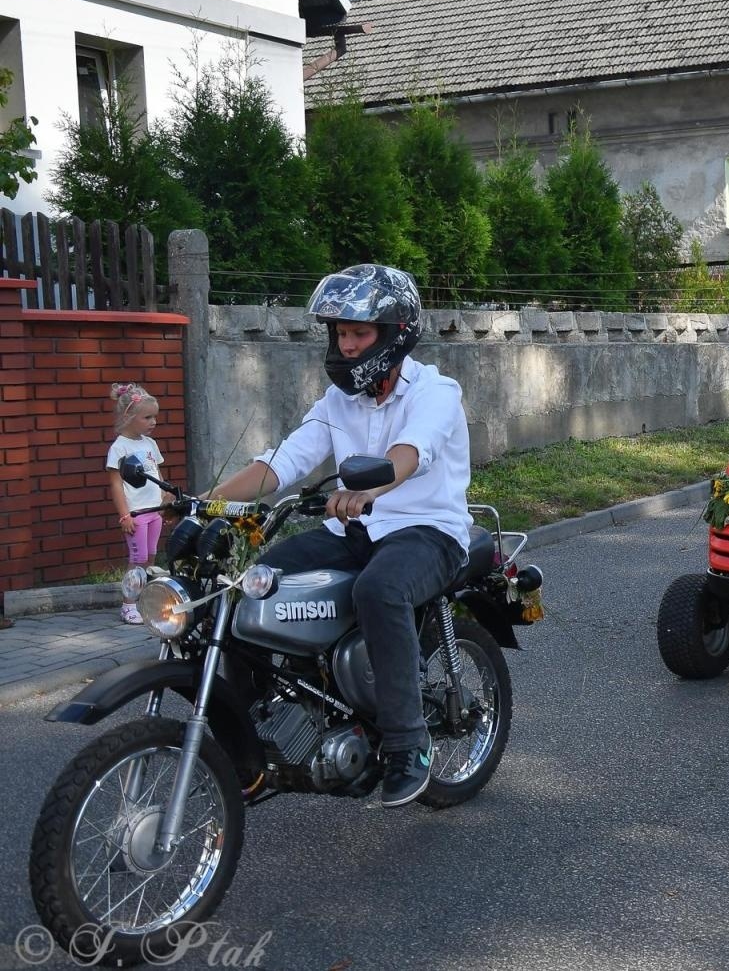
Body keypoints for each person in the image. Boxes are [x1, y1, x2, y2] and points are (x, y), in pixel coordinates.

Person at [204, 263, 471, 809]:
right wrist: (207, 504)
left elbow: (411, 454)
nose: (346, 345)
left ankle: (407, 745)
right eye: (340, 333)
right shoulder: (337, 402)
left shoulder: (436, 391)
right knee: (251, 587)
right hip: (354, 530)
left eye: (359, 333)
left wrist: (371, 488)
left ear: (395, 331)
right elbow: (283, 461)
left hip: (428, 531)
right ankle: (255, 745)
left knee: (379, 590)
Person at [106, 382, 164, 625]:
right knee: (137, 559)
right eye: (147, 417)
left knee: (150, 558)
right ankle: (128, 605)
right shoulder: (119, 447)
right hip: (137, 514)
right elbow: (116, 484)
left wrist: (165, 495)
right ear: (129, 417)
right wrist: (124, 516)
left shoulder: (150, 444)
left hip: (154, 511)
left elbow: (157, 472)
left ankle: (143, 600)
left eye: (155, 417)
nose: (153, 422)